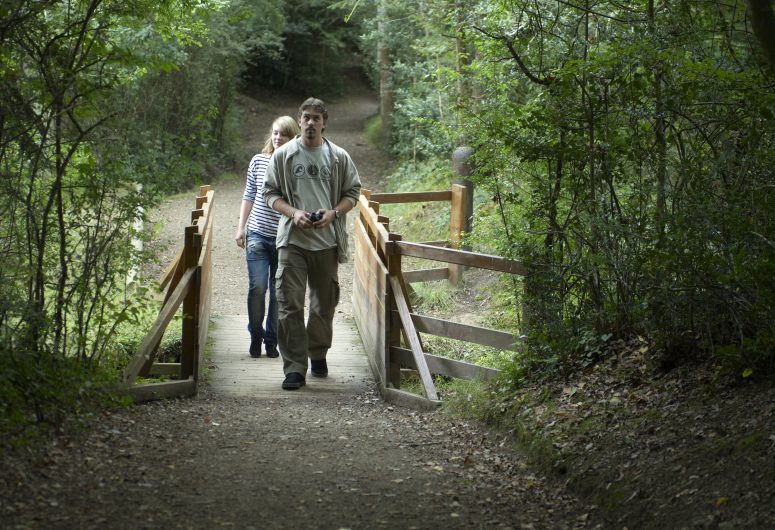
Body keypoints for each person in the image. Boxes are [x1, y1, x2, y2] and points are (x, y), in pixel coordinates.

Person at [263, 97, 362, 390]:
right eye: (305, 117)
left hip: (326, 242)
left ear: (324, 123)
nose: (310, 123)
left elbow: (353, 192)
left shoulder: (338, 157)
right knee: (289, 304)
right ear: (299, 119)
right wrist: (294, 213)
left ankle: (317, 353)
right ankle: (294, 367)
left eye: (316, 118)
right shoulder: (283, 155)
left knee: (323, 304)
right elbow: (270, 193)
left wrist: (334, 213)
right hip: (292, 241)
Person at [235, 116, 301, 358]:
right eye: (274, 133)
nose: (277, 138)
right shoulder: (258, 161)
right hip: (257, 234)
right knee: (257, 286)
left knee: (277, 292)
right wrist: (240, 227)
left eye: (282, 134)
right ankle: (256, 334)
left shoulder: (297, 165)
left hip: (284, 239)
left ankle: (271, 341)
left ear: (293, 137)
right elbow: (249, 194)